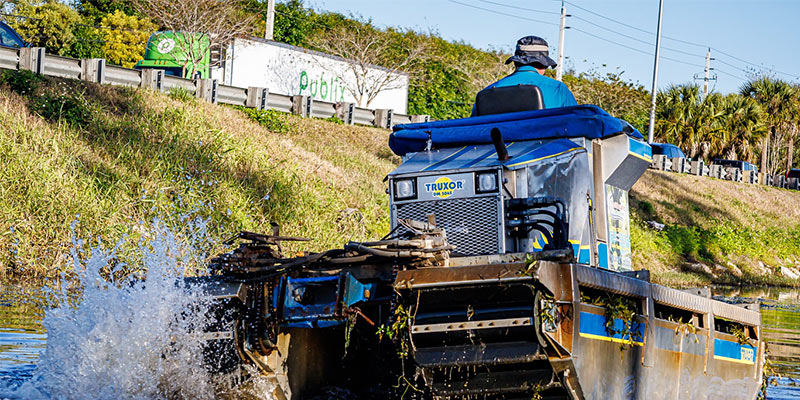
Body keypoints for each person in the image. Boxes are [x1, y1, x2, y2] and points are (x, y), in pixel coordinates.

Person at [473, 35, 577, 115]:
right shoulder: (558, 89)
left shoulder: (485, 93)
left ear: (515, 62)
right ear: (544, 64)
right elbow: (577, 127)